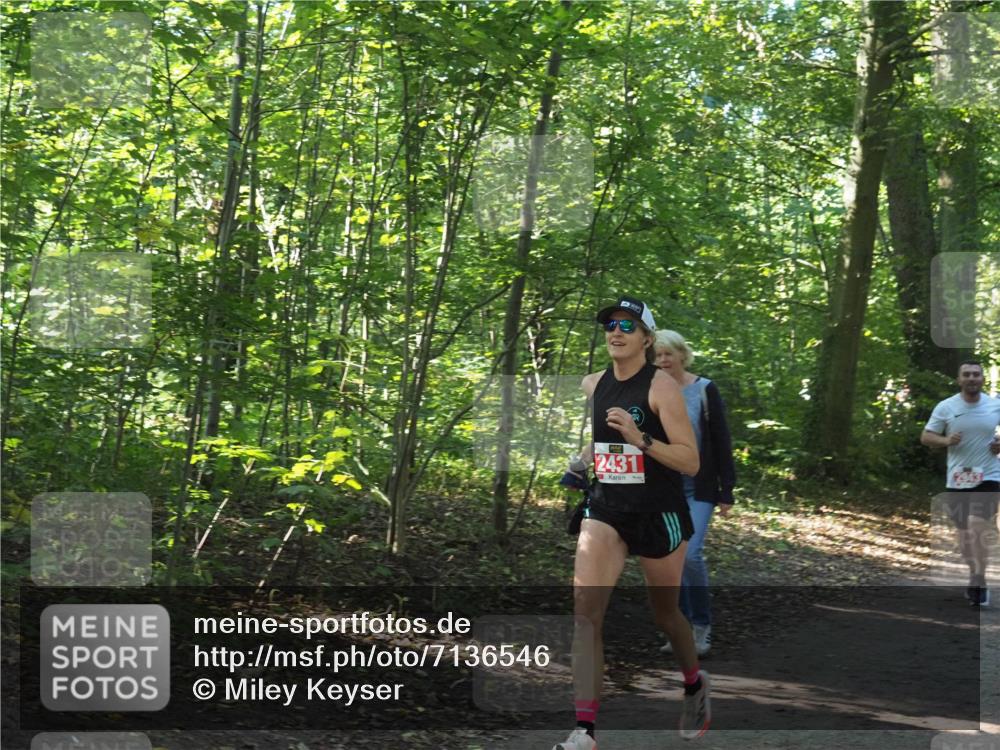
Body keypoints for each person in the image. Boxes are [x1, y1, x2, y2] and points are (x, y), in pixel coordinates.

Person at [555, 296, 710, 750]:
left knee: (665, 614)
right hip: (606, 509)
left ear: (647, 337)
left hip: (657, 513)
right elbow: (603, 440)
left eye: (627, 324)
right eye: (609, 325)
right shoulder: (593, 383)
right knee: (586, 614)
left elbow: (690, 461)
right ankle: (585, 731)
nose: (615, 331)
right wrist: (585, 459)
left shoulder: (661, 387)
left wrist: (639, 438)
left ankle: (694, 682)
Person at [652, 330, 735, 657]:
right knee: (670, 561)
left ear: (682, 354)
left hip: (698, 487)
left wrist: (726, 489)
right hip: (663, 489)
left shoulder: (704, 389)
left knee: (690, 553)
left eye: (668, 354)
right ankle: (678, 628)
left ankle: (701, 626)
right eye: (657, 356)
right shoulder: (651, 389)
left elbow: (721, 439)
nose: (663, 361)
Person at [920, 360, 1000, 607]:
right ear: (959, 380)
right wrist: (946, 441)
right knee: (965, 537)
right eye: (967, 374)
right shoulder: (946, 407)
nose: (972, 378)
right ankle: (973, 573)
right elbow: (926, 436)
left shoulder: (995, 404)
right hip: (958, 479)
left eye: (976, 374)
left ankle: (980, 580)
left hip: (989, 475)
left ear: (982, 379)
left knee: (977, 525)